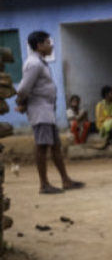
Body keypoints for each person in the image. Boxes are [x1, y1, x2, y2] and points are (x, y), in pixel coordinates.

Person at [15, 30, 84, 194]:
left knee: (55, 146)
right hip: (40, 111)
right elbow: (24, 88)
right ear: (39, 46)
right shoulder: (34, 64)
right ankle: (44, 184)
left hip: (46, 111)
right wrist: (21, 102)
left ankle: (65, 180)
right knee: (42, 146)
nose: (51, 45)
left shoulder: (40, 62)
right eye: (47, 42)